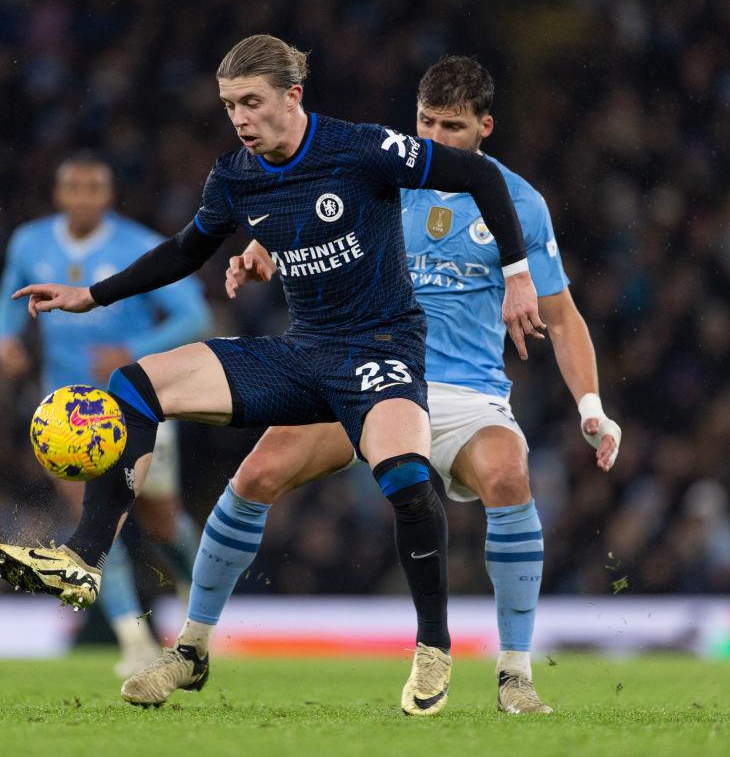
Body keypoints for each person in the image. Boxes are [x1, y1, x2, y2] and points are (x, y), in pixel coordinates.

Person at [0, 34, 544, 716]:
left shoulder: (361, 147)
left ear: (292, 97)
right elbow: (187, 249)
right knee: (135, 386)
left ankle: (433, 648)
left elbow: (479, 176)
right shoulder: (236, 176)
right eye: (229, 106)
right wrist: (92, 295)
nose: (240, 118)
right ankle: (86, 559)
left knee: (405, 478)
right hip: (303, 352)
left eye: (251, 102)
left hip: (381, 350)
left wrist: (518, 275)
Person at [121, 56, 622, 714]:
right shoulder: (385, 170)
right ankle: (190, 649)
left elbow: (562, 318)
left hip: (462, 392)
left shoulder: (518, 202)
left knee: (509, 474)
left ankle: (514, 675)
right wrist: (262, 250)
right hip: (362, 370)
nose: (435, 137)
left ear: (485, 127)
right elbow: (309, 216)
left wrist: (591, 406)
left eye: (452, 125)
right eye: (425, 121)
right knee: (256, 475)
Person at [0, 152, 210, 676]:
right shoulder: (29, 241)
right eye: (74, 187)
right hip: (65, 411)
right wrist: (4, 339)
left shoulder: (136, 246)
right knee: (92, 519)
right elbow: (7, 297)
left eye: (93, 188)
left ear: (107, 196)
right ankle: (132, 639)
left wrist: (134, 347)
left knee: (160, 520)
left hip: (134, 405)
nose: (83, 197)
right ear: (59, 194)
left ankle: (199, 599)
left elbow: (196, 315)